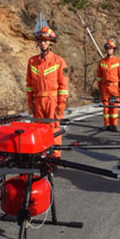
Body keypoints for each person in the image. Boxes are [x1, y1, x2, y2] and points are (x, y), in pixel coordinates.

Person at [26, 27, 69, 158]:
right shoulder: (32, 61)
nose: (43, 43)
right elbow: (29, 85)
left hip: (53, 100)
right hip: (38, 100)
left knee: (54, 128)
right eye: (40, 41)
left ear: (51, 43)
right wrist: (30, 102)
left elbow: (63, 84)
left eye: (45, 41)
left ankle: (55, 156)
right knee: (39, 128)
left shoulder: (58, 61)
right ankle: (41, 154)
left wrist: (61, 103)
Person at [97, 39, 120, 132]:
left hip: (114, 86)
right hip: (105, 87)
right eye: (108, 49)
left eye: (111, 49)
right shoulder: (102, 62)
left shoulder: (118, 61)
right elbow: (99, 77)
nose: (109, 50)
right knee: (105, 107)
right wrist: (100, 88)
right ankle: (107, 124)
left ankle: (114, 124)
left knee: (114, 106)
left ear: (114, 50)